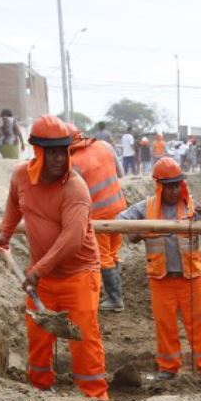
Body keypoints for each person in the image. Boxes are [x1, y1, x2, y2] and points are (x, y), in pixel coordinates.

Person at [0, 115, 108, 400]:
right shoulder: (21, 176)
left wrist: (38, 269)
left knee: (83, 338)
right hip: (43, 276)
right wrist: (5, 236)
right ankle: (39, 392)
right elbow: (13, 206)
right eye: (51, 152)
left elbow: (73, 238)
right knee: (39, 337)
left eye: (63, 151)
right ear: (37, 151)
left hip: (78, 274)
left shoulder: (74, 188)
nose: (59, 159)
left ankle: (95, 397)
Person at [115, 157, 201, 379]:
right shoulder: (147, 207)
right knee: (166, 327)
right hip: (161, 279)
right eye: (169, 185)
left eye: (177, 184)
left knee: (200, 325)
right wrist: (140, 233)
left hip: (191, 277)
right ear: (159, 186)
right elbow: (120, 223)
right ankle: (168, 368)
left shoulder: (191, 206)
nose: (174, 190)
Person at [68, 123, 130, 312]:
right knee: (112, 252)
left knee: (103, 256)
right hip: (119, 207)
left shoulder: (73, 163)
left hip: (99, 215)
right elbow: (120, 173)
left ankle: (115, 299)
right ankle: (114, 293)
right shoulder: (105, 146)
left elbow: (73, 195)